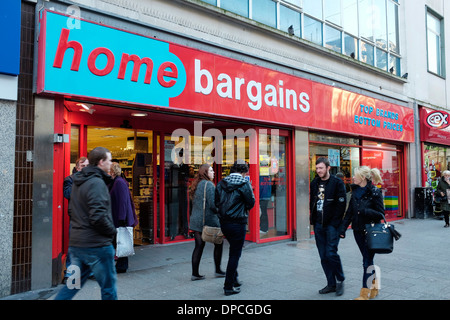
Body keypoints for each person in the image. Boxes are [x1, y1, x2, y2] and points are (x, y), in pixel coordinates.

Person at [55, 147, 117, 300]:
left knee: (72, 285)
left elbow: (75, 210)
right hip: (97, 244)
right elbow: (98, 216)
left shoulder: (78, 181)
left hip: (79, 243)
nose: (111, 163)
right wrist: (112, 231)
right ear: (101, 162)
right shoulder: (96, 183)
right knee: (108, 288)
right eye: (109, 160)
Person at [339, 166, 384, 300]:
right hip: (357, 231)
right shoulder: (355, 192)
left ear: (363, 178)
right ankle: (375, 287)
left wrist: (365, 212)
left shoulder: (375, 192)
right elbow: (349, 213)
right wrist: (342, 229)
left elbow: (380, 214)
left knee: (366, 261)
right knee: (368, 260)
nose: (353, 177)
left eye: (355, 175)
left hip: (371, 231)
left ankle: (364, 294)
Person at [215, 162, 255, 296]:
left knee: (233, 250)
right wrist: (242, 208)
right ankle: (228, 286)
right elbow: (251, 202)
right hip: (238, 223)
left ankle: (234, 279)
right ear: (244, 172)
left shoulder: (221, 183)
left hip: (225, 223)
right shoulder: (244, 184)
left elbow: (216, 202)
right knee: (234, 255)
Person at [310, 157, 346, 296]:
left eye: (321, 168)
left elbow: (341, 204)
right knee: (323, 256)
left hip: (332, 225)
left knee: (331, 253)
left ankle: (340, 279)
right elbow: (312, 201)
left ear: (328, 168)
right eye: (317, 168)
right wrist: (313, 219)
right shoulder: (315, 183)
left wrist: (335, 223)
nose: (318, 171)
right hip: (318, 224)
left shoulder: (337, 183)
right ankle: (331, 284)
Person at [188, 164, 224, 281]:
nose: (213, 173)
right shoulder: (209, 185)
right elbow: (213, 205)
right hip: (208, 220)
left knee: (198, 246)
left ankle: (195, 273)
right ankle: (218, 270)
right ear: (205, 172)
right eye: (211, 171)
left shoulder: (196, 184)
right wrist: (221, 210)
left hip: (196, 220)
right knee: (219, 243)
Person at [62, 156, 89, 281]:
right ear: (77, 168)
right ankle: (70, 273)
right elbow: (67, 194)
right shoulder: (70, 180)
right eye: (83, 166)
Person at [109, 162, 138, 273]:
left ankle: (121, 265)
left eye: (108, 170)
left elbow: (123, 202)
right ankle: (121, 265)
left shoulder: (119, 183)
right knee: (119, 241)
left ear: (112, 171)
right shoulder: (115, 182)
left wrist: (122, 219)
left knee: (120, 241)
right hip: (117, 217)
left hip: (120, 219)